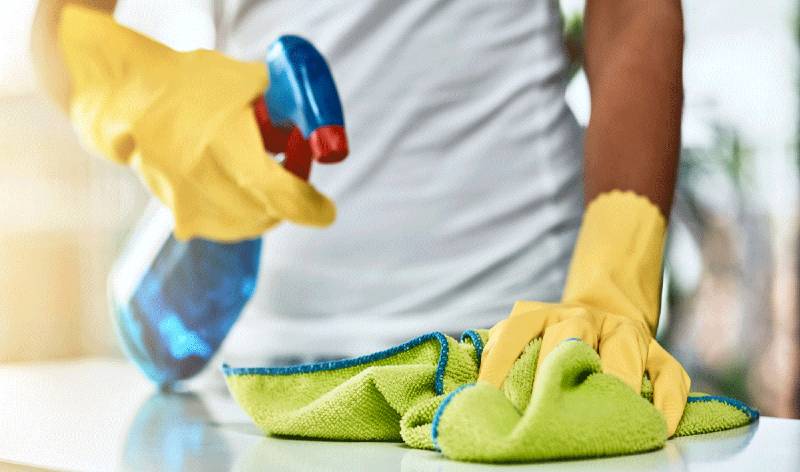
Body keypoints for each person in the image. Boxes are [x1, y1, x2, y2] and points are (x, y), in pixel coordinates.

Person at [32, 0, 689, 435]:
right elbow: (58, 26)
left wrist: (616, 267)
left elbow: (632, 11)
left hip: (503, 359)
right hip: (257, 380)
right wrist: (141, 94)